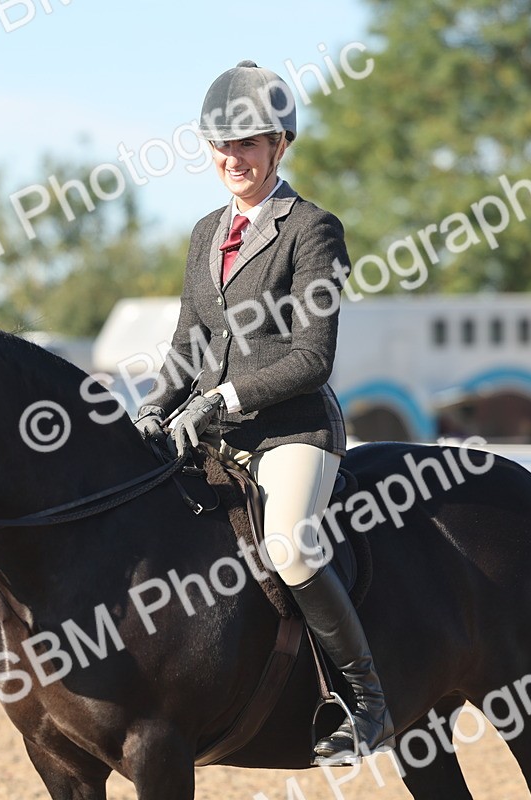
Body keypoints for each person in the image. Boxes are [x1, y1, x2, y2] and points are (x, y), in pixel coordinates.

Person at [133, 60, 393, 760]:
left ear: (280, 145)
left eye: (247, 143)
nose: (232, 157)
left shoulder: (313, 229)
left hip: (292, 429)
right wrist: (154, 408)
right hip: (214, 432)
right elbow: (188, 344)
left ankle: (366, 702)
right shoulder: (202, 234)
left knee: (289, 545)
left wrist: (222, 398)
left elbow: (313, 357)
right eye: (221, 144)